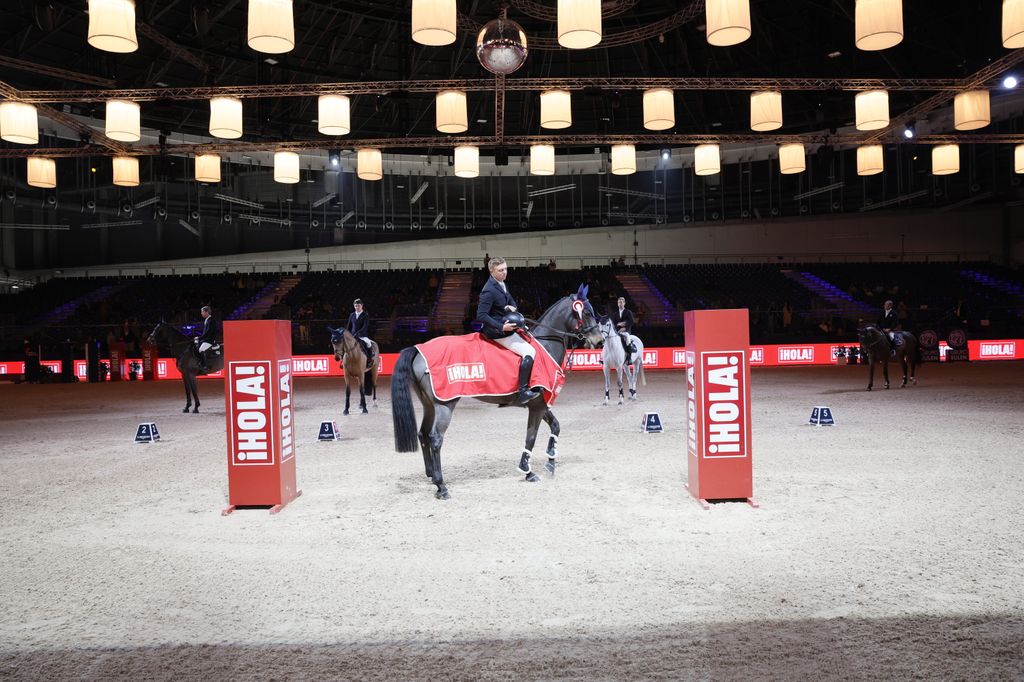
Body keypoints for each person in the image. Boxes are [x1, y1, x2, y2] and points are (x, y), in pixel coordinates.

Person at [477, 257, 539, 405]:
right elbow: (481, 315)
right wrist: (501, 327)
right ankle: (523, 391)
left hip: (506, 324)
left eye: (506, 269)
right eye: (501, 270)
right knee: (529, 352)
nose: (505, 273)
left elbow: (511, 300)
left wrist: (512, 307)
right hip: (496, 331)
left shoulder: (501, 283)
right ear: (491, 271)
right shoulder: (488, 290)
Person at [346, 298, 374, 366]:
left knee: (368, 343)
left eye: (358, 305)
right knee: (344, 345)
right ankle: (344, 361)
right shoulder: (352, 315)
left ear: (361, 305)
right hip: (352, 336)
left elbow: (365, 327)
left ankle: (369, 360)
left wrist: (357, 334)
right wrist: (347, 334)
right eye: (355, 306)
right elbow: (349, 326)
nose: (357, 307)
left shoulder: (365, 315)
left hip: (362, 336)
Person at [195, 305, 218, 372]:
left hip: (209, 340)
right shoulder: (207, 320)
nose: (201, 313)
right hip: (206, 339)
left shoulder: (211, 320)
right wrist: (199, 338)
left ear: (206, 312)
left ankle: (205, 366)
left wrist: (200, 338)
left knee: (201, 350)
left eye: (202, 312)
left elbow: (208, 332)